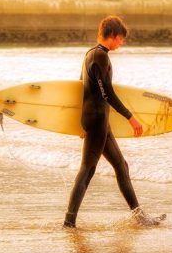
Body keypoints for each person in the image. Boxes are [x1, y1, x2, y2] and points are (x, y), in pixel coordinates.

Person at [63, 16, 164, 228]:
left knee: (121, 165)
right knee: (87, 170)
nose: (122, 43)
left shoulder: (89, 54)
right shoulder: (100, 56)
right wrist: (130, 117)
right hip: (98, 120)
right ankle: (69, 222)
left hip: (97, 120)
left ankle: (139, 216)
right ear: (114, 36)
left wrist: (81, 123)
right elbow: (107, 93)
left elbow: (81, 87)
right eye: (121, 39)